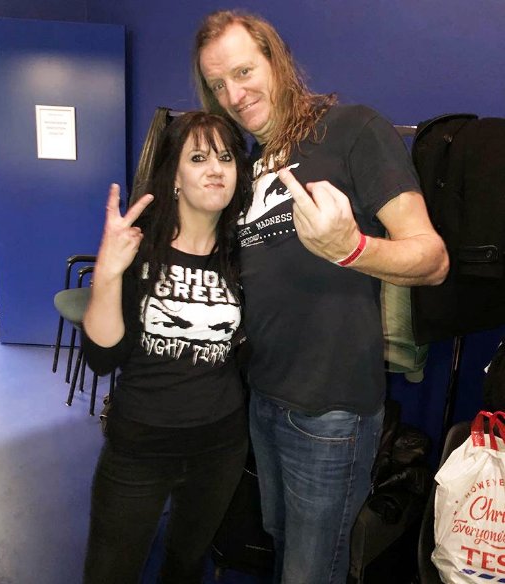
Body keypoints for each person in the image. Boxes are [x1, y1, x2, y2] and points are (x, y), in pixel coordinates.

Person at [193, 11, 449, 584]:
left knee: (313, 571)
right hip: (264, 398)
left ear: (276, 60)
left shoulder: (353, 129)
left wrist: (351, 249)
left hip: (330, 411)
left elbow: (432, 259)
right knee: (283, 546)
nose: (233, 95)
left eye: (243, 71)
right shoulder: (249, 165)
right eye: (218, 84)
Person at [81, 111, 251, 584]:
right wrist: (108, 273)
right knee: (109, 573)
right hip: (139, 447)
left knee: (185, 567)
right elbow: (102, 358)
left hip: (220, 446)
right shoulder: (139, 247)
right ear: (174, 176)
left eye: (225, 158)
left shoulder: (243, 255)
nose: (215, 169)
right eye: (198, 158)